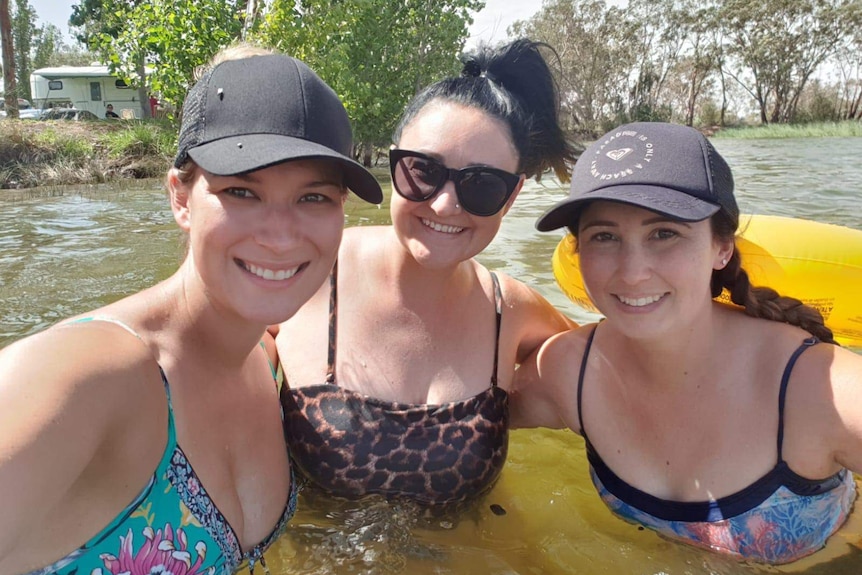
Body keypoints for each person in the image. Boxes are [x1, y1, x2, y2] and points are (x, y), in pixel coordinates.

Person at [0, 45, 382, 575]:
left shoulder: (267, 363)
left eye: (314, 198)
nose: (279, 235)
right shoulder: (85, 375)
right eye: (242, 191)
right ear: (181, 197)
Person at [515, 121, 861, 564]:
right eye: (604, 236)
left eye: (665, 234)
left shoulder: (820, 390)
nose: (632, 271)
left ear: (722, 247)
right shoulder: (568, 372)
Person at [275, 39, 579, 507]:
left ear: (513, 195)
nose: (444, 204)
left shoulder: (509, 309)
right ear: (394, 163)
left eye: (482, 185)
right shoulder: (309, 271)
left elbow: (619, 368)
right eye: (422, 171)